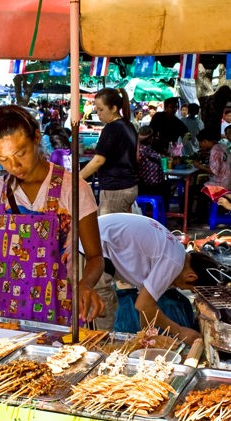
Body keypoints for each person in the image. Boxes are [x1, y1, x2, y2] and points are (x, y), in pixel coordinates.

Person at [0, 105, 104, 326]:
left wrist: (85, 284)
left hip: (58, 308)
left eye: (20, 153)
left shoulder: (73, 188)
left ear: (36, 137)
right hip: (6, 308)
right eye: (3, 159)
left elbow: (95, 257)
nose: (14, 166)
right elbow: (0, 253)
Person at [95, 213, 221, 345]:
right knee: (105, 326)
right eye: (189, 289)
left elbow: (144, 307)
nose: (181, 288)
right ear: (191, 276)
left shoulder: (176, 253)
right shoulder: (174, 262)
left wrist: (145, 338)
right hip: (93, 246)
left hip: (100, 242)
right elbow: (143, 305)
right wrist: (180, 331)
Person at [79, 88, 139, 215]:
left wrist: (77, 179)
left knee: (108, 232)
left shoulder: (112, 128)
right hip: (128, 186)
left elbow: (98, 161)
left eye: (101, 109)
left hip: (116, 189)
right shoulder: (128, 125)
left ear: (113, 108)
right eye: (97, 109)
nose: (98, 113)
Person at [137, 126, 170, 208]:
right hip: (151, 186)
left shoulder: (136, 148)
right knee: (167, 185)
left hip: (139, 186)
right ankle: (163, 211)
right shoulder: (148, 151)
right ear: (150, 138)